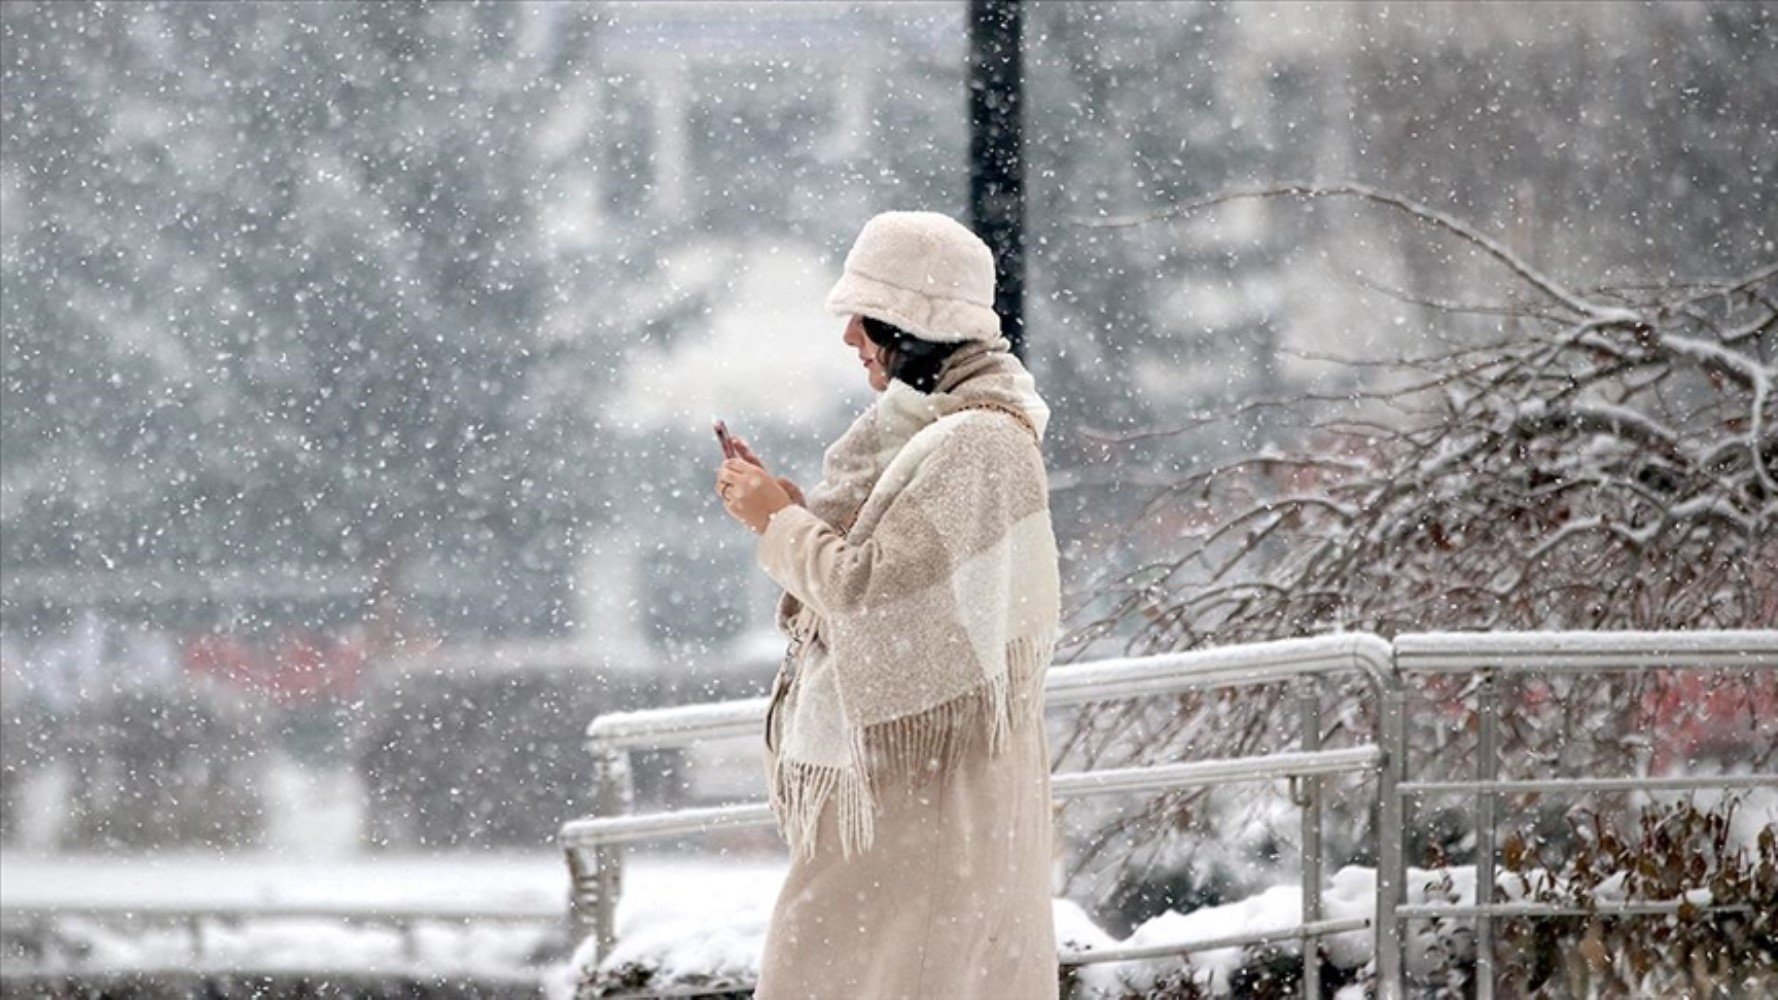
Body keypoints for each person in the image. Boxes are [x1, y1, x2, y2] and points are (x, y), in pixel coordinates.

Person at [715, 210, 1062, 1000]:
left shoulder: (975, 443)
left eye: (863, 318)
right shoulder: (934, 433)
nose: (850, 340)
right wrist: (791, 512)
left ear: (912, 324)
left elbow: (872, 596)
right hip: (912, 793)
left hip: (925, 802)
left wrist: (777, 520)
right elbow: (891, 578)